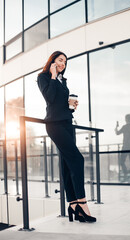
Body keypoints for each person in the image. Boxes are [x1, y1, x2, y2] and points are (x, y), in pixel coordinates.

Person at [37, 51, 96, 223]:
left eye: (65, 61)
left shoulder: (64, 80)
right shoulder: (44, 77)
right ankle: (82, 203)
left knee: (67, 163)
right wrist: (54, 76)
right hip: (54, 125)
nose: (63, 63)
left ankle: (72, 204)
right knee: (78, 159)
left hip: (67, 123)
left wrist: (71, 106)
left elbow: (60, 103)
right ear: (52, 61)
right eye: (60, 60)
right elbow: (49, 97)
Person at [115, 113, 130, 183]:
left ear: (127, 119)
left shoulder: (125, 126)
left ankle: (126, 176)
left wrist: (116, 127)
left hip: (125, 146)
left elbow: (117, 133)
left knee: (121, 162)